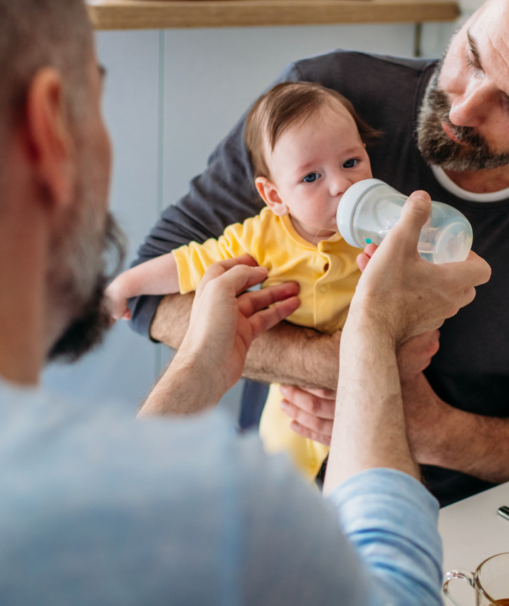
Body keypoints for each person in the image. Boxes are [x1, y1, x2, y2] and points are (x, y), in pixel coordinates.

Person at [0, 0, 492, 604]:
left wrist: (196, 374)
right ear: (47, 131)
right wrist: (375, 326)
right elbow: (397, 591)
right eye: (99, 93)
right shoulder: (224, 523)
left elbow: (99, 504)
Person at [131, 0, 509, 505]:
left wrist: (434, 431)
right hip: (271, 495)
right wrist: (342, 367)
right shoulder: (324, 101)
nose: (461, 110)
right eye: (472, 55)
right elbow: (149, 298)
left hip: (452, 520)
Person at [108, 81, 425, 480]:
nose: (340, 185)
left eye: (351, 162)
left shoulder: (381, 223)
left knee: (372, 475)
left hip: (373, 386)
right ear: (274, 196)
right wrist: (126, 285)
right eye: (311, 177)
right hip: (294, 392)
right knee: (279, 468)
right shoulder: (260, 237)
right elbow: (189, 265)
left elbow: (420, 288)